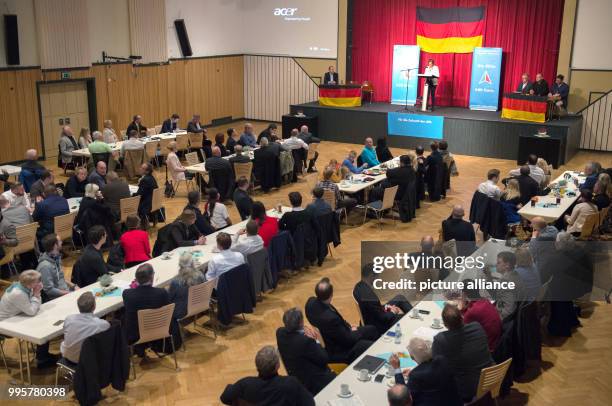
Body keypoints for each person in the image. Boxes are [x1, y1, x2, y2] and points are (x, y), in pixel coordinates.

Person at [305, 277, 377, 363]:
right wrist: (353, 331)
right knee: (369, 337)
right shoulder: (331, 319)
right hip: (339, 349)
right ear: (331, 295)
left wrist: (348, 327)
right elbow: (348, 340)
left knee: (371, 329)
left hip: (331, 337)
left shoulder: (310, 303)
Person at [432, 304, 493, 402]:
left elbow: (435, 366)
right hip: (490, 380)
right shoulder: (477, 326)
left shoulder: (441, 339)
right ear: (462, 317)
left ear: (445, 324)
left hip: (466, 391)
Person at [0, 270, 59, 368]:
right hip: (5, 324)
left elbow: (35, 306)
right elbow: (32, 311)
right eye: (38, 281)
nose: (40, 282)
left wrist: (36, 294)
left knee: (43, 323)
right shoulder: (18, 293)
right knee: (42, 328)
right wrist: (37, 293)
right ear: (30, 284)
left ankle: (42, 355)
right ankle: (42, 359)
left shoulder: (24, 286)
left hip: (16, 316)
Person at [220, 345, 314, 406]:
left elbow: (224, 398)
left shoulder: (246, 384)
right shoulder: (290, 383)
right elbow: (310, 403)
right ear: (278, 366)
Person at [276, 308, 335, 395]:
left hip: (295, 375)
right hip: (313, 381)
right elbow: (324, 358)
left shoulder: (280, 333)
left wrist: (303, 330)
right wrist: (315, 340)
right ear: (301, 322)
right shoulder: (306, 341)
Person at [390, 337, 462, 406]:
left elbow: (403, 395)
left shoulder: (415, 375)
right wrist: (416, 371)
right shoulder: (442, 360)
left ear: (412, 357)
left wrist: (397, 368)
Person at [122, 264, 175, 355]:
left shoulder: (127, 294)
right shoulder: (162, 293)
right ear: (152, 277)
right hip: (161, 330)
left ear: (136, 279)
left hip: (136, 335)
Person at [354, 264, 412, 336]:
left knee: (400, 298)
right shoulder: (369, 296)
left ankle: (413, 316)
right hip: (377, 325)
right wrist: (393, 311)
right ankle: (414, 322)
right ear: (372, 276)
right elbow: (383, 318)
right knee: (404, 317)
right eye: (377, 276)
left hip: (372, 316)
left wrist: (387, 308)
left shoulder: (358, 286)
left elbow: (374, 308)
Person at [60, 292, 110, 364]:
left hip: (69, 357)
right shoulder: (102, 324)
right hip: (89, 361)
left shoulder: (69, 319)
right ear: (94, 307)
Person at [459, 281, 502, 351]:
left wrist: (460, 307)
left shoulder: (472, 312)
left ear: (464, 294)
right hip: (497, 344)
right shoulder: (485, 300)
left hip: (487, 350)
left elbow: (460, 330)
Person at [487, 252, 527, 320]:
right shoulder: (515, 274)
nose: (496, 265)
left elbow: (508, 311)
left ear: (507, 265)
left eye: (498, 262)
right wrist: (489, 277)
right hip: (517, 313)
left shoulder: (505, 281)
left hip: (505, 318)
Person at [37, 233, 75, 300]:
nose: (62, 242)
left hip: (65, 291)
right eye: (60, 241)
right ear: (55, 245)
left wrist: (74, 286)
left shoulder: (56, 258)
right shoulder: (45, 267)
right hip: (58, 298)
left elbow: (60, 278)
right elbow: (49, 290)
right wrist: (68, 293)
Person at [168, 252, 206, 320]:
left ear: (180, 265)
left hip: (181, 312)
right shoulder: (200, 275)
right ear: (192, 263)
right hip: (200, 304)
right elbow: (204, 289)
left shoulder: (175, 282)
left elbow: (169, 299)